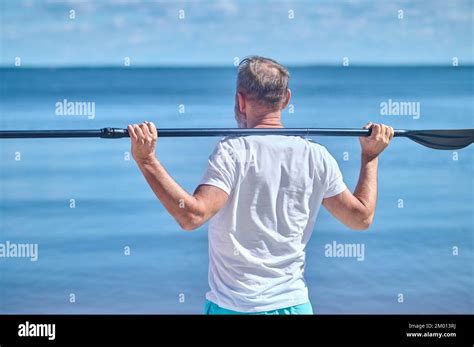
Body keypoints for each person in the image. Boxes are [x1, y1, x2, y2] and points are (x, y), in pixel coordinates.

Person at [128, 56, 394, 315]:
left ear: (240, 101)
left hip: (234, 307)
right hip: (295, 306)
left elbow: (191, 216)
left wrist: (147, 161)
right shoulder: (316, 156)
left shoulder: (233, 152)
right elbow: (361, 219)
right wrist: (370, 157)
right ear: (286, 99)